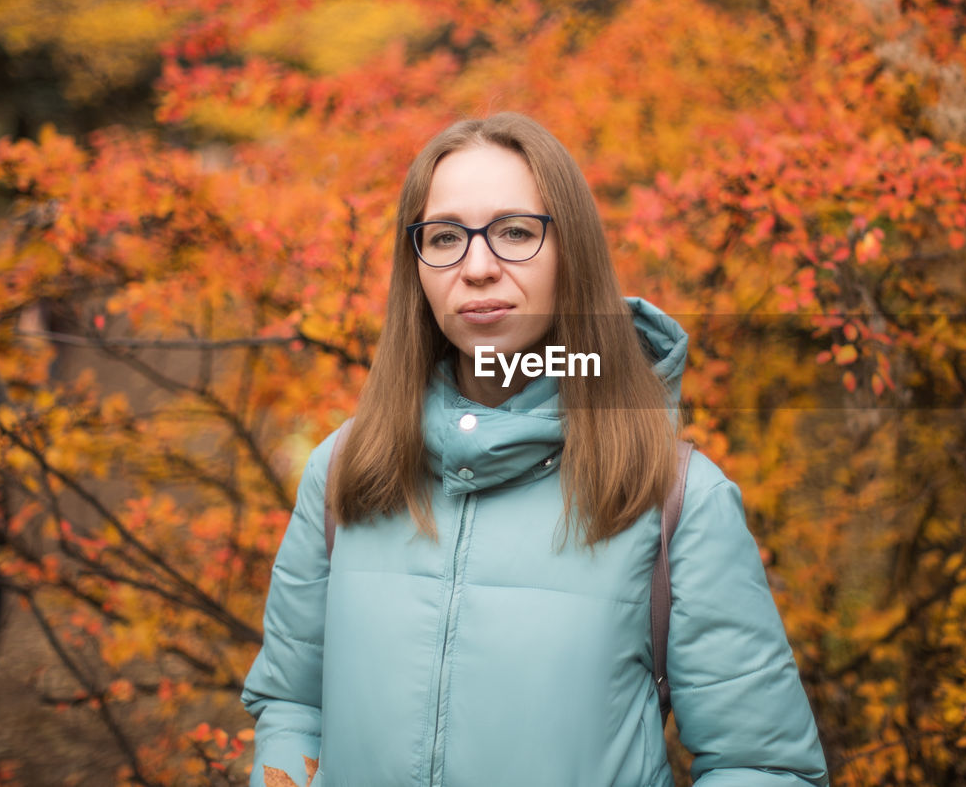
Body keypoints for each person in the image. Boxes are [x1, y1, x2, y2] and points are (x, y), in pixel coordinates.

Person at [241, 113, 828, 787]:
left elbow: (762, 766)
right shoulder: (347, 469)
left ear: (570, 252)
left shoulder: (675, 499)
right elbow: (293, 703)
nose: (479, 267)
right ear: (417, 266)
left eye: (516, 232)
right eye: (445, 237)